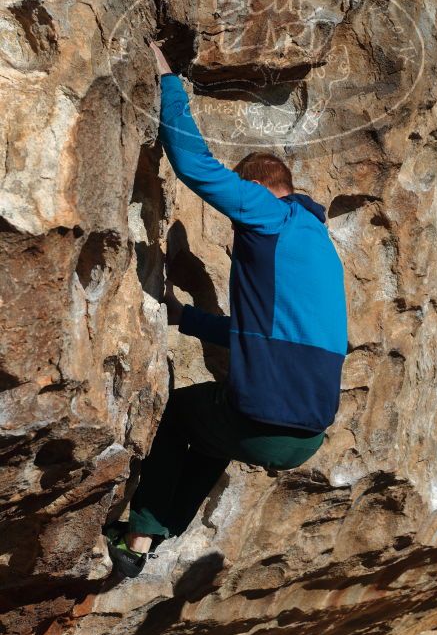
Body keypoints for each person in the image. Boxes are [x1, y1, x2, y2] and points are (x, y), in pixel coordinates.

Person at [106, 42, 348, 577]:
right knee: (216, 426)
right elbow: (260, 330)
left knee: (179, 414)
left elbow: (196, 166)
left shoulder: (270, 214)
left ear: (263, 188)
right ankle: (159, 533)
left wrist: (170, 83)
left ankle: (142, 533)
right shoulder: (320, 246)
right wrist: (186, 318)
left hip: (267, 418)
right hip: (306, 436)